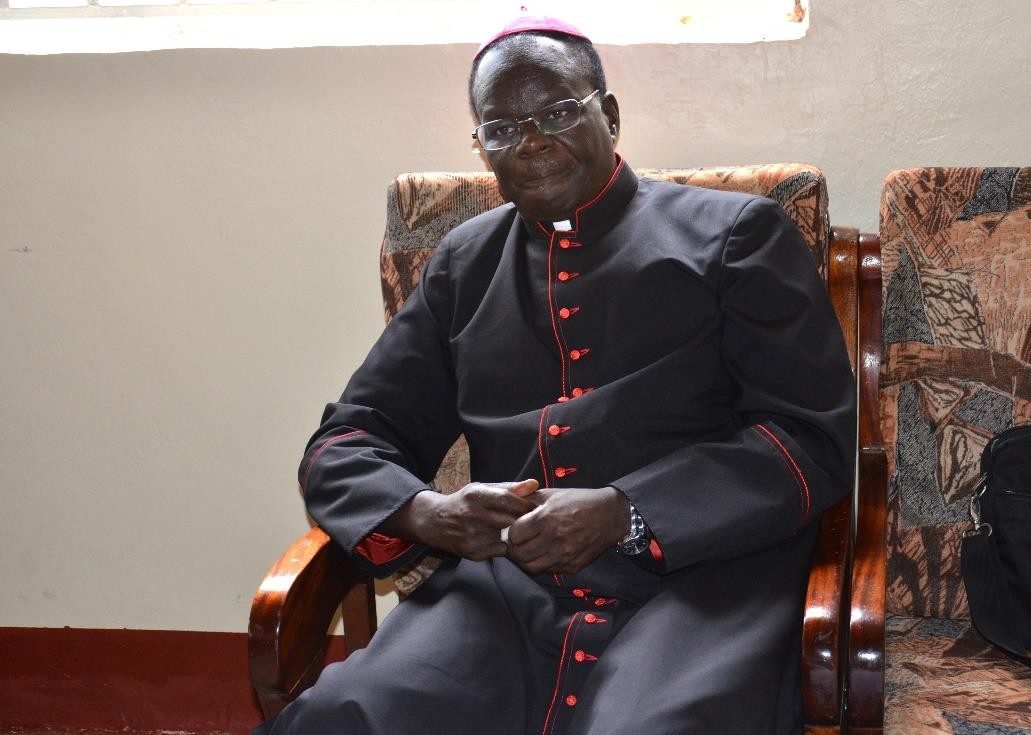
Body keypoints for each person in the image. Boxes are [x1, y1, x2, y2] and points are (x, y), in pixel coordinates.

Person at [256, 16, 855, 735]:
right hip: (504, 594)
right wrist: (430, 513)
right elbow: (345, 442)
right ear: (482, 149)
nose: (532, 140)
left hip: (703, 586)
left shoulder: (736, 237)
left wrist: (624, 509)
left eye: (558, 112)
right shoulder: (463, 264)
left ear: (609, 114)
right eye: (501, 128)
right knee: (341, 716)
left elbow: (810, 440)